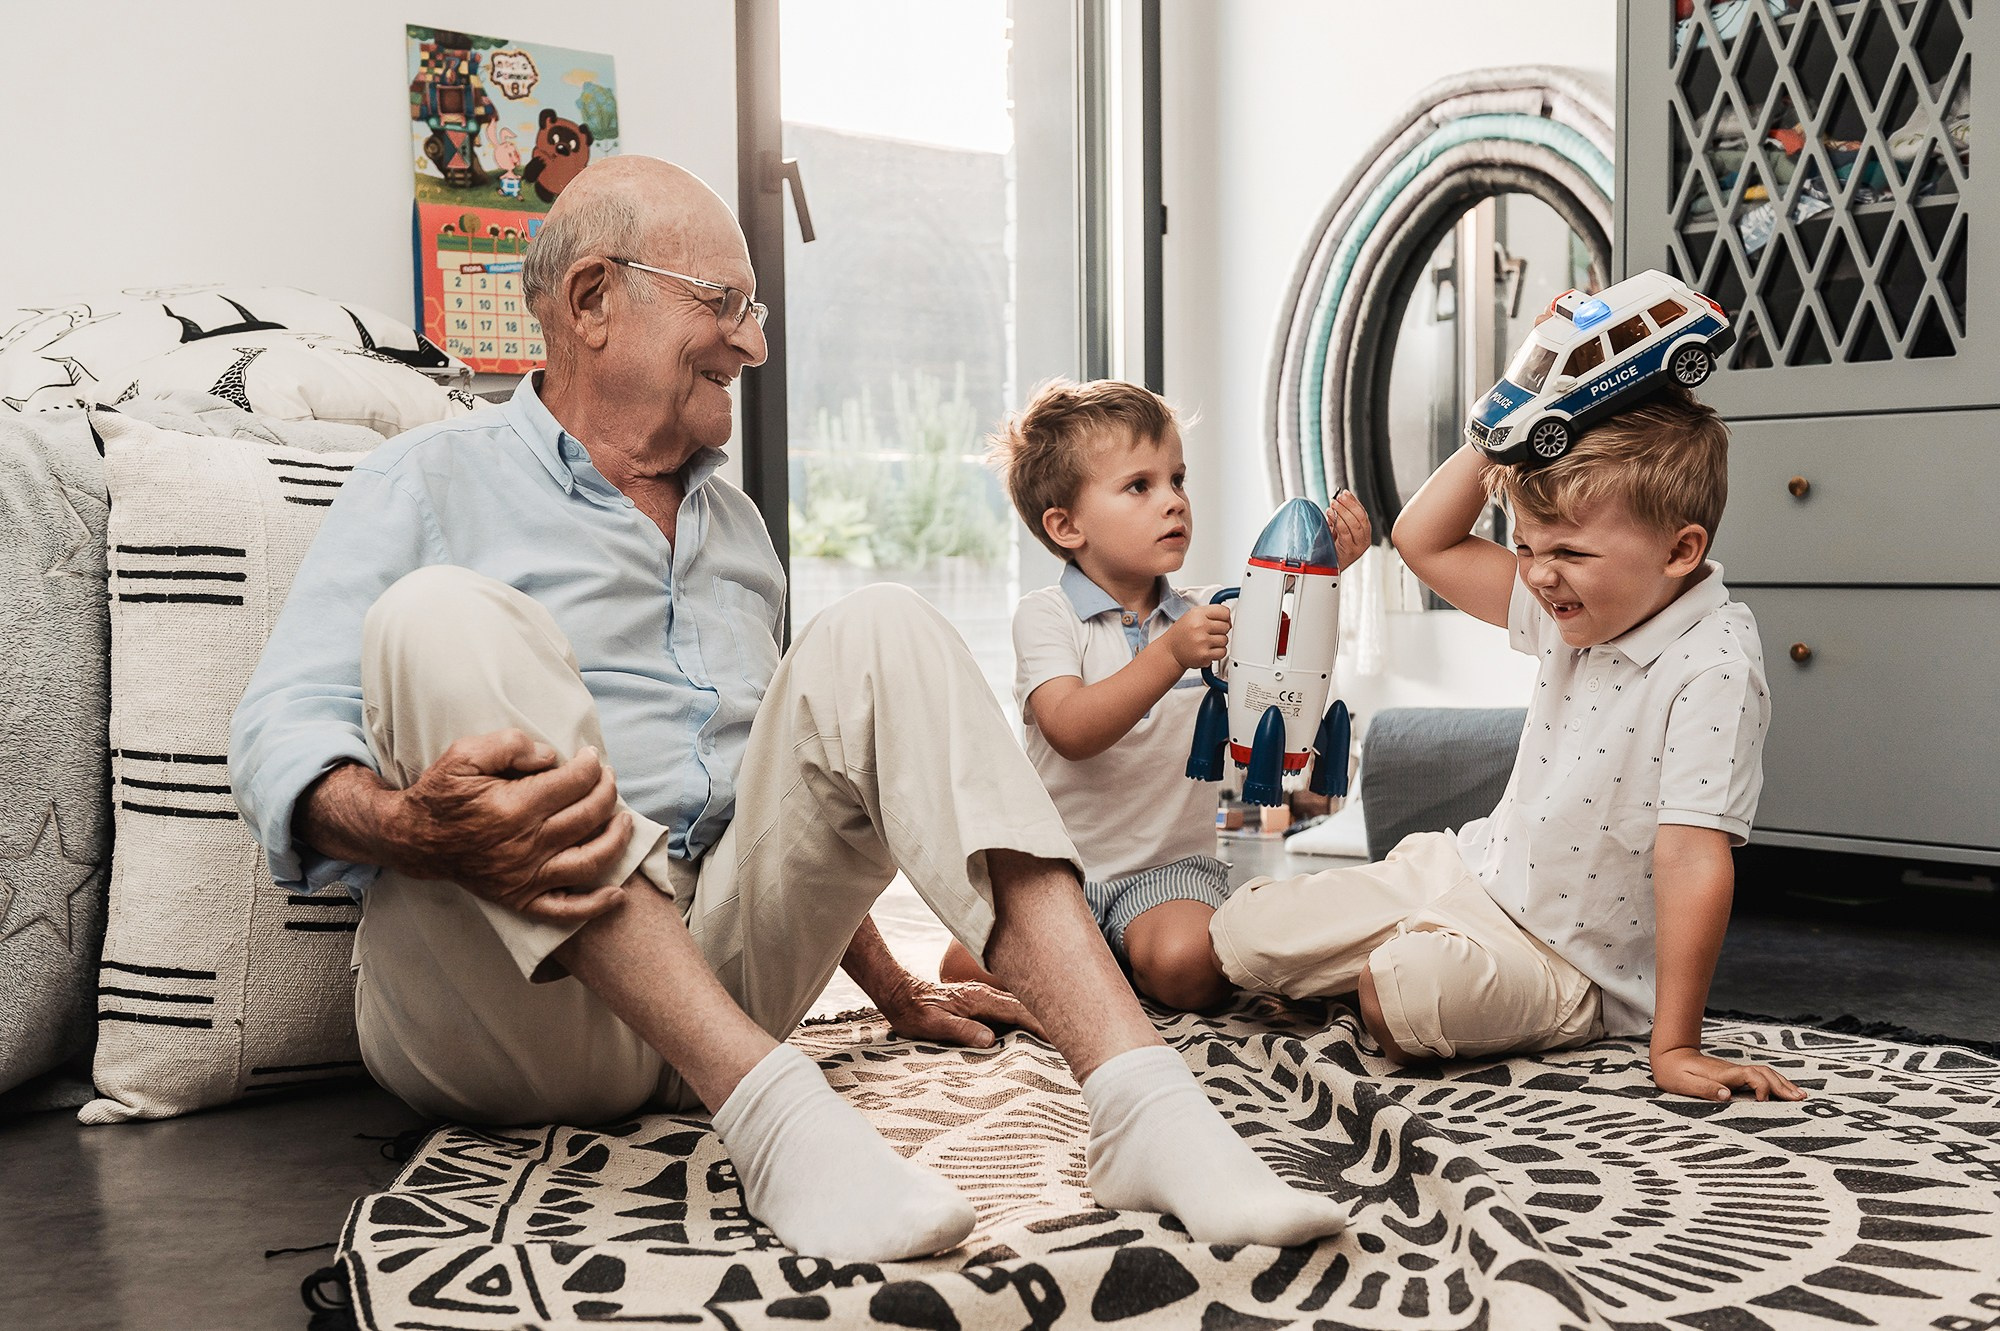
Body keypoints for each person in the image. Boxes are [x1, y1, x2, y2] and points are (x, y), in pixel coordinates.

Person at [229, 157, 1348, 1265]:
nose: (756, 343)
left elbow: (790, 793)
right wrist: (418, 832)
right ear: (591, 301)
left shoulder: (738, 531)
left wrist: (891, 982)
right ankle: (772, 1119)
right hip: (502, 1012)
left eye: (754, 311)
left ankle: (1141, 1101)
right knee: (439, 616)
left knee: (884, 624)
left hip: (722, 977)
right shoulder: (423, 480)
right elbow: (279, 736)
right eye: (723, 304)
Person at [1206, 388, 1808, 1104]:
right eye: (1524, 545)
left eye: (1567, 551)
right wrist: (1516, 411)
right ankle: (1388, 954)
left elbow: (1691, 857)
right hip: (1469, 871)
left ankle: (1386, 968)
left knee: (1401, 993)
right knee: (1240, 934)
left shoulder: (1715, 666)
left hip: (1569, 959)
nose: (1538, 573)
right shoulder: (1574, 599)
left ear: (1680, 550)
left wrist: (1675, 1043)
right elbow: (1422, 539)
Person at [940, 379, 1368, 1011]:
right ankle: (1100, 961)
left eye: (1178, 480)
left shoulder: (1211, 611)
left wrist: (1325, 564)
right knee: (960, 968)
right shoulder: (1048, 616)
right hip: (1059, 874)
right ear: (1066, 526)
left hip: (1171, 872)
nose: (1174, 502)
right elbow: (1071, 729)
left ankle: (1098, 970)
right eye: (1140, 486)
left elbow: (1283, 625)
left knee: (1188, 970)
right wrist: (1169, 656)